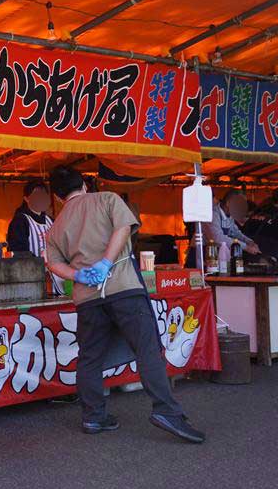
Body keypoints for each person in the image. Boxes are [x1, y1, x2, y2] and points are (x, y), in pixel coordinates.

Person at [43, 166, 205, 443]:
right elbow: (123, 228)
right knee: (147, 348)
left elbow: (53, 263)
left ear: (57, 197)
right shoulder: (107, 198)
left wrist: (78, 275)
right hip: (123, 288)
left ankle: (93, 416)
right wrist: (107, 262)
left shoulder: (55, 226)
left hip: (88, 298)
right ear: (84, 185)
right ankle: (167, 411)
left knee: (90, 357)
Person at [6, 180, 65, 295]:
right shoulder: (20, 221)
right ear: (26, 199)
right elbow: (18, 252)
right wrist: (40, 263)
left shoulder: (51, 221)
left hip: (55, 278)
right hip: (31, 279)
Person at [206, 190, 261, 256]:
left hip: (218, 253)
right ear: (228, 203)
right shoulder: (213, 214)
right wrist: (245, 247)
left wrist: (249, 241)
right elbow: (218, 238)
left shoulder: (229, 215)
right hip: (205, 253)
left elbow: (235, 232)